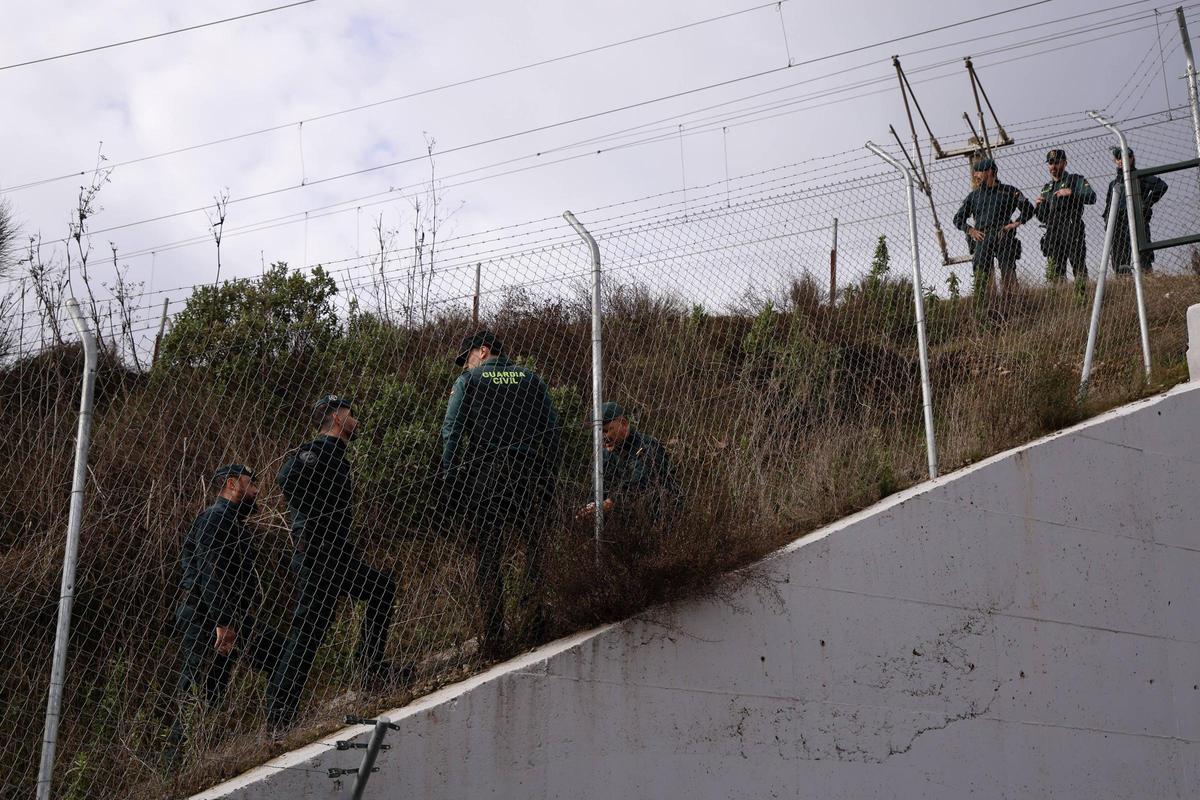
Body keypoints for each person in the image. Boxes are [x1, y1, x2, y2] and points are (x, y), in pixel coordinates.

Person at [265, 395, 398, 731]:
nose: (356, 420)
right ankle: (279, 717)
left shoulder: (336, 454)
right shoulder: (316, 451)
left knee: (381, 589)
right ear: (337, 418)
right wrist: (315, 520)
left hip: (337, 555)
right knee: (308, 633)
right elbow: (286, 477)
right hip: (318, 557)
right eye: (351, 414)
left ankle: (371, 670)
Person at [441, 330, 562, 659]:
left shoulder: (469, 381)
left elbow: (452, 431)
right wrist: (549, 470)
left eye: (467, 358)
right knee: (535, 546)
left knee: (488, 555)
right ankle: (534, 621)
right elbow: (552, 429)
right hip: (530, 472)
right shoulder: (531, 379)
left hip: (488, 474)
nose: (465, 366)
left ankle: (495, 636)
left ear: (482, 351)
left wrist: (450, 477)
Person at [168, 464, 284, 767]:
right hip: (207, 619)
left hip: (226, 618)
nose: (256, 491)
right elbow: (211, 573)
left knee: (212, 688)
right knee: (196, 689)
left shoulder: (230, 521)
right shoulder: (215, 518)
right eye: (251, 484)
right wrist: (224, 622)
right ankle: (175, 768)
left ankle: (277, 730)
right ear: (232, 484)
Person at [578, 401, 682, 525]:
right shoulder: (604, 454)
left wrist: (605, 505)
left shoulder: (647, 446)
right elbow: (598, 487)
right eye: (597, 433)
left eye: (605, 430)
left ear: (623, 423)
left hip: (661, 514)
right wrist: (592, 507)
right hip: (625, 516)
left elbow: (640, 484)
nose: (601, 437)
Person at [952, 157, 1036, 295]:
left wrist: (1015, 223)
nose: (975, 175)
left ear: (990, 172)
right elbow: (957, 219)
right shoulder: (974, 196)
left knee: (1008, 269)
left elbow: (1029, 209)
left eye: (979, 172)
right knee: (981, 272)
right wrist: (970, 230)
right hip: (982, 236)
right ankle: (985, 301)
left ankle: (1012, 299)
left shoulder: (1009, 191)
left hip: (1003, 234)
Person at [1100, 146, 1168, 273]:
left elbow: (1161, 186)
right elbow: (1108, 206)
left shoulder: (1140, 176)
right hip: (1118, 224)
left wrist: (1145, 204)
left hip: (1138, 221)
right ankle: (1124, 281)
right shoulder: (1113, 184)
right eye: (1119, 158)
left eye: (1127, 157)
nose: (1122, 160)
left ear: (1132, 158)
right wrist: (1108, 222)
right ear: (1115, 161)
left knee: (1143, 256)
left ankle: (1146, 280)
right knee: (1120, 260)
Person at [1034, 148, 1097, 284]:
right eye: (1050, 163)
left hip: (1071, 226)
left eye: (1057, 162)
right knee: (1055, 269)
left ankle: (1083, 291)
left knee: (1078, 263)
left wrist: (1072, 193)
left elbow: (1092, 197)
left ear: (1064, 163)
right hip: (1052, 230)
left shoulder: (1075, 180)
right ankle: (1059, 294)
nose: (1053, 166)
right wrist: (1039, 206)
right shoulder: (1047, 188)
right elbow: (1042, 217)